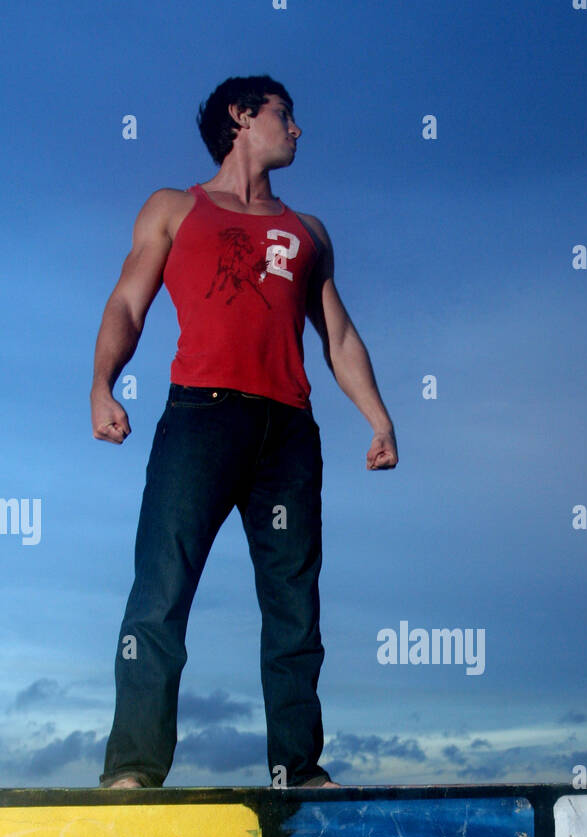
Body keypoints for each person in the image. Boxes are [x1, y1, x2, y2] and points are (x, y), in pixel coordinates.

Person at [91, 75, 397, 790]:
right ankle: (133, 769)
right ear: (242, 117)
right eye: (284, 116)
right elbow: (127, 306)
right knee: (161, 591)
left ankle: (299, 768)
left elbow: (340, 336)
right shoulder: (175, 208)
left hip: (287, 431)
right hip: (200, 419)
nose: (297, 130)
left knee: (294, 607)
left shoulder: (308, 231)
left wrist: (378, 417)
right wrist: (102, 384)